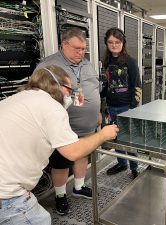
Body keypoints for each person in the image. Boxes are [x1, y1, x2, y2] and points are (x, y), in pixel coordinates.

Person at [0, 65, 118, 225]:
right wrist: (103, 134)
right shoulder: (51, 107)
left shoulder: (19, 98)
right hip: (7, 194)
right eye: (69, 89)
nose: (70, 95)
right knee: (40, 220)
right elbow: (74, 152)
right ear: (57, 85)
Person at [35, 27, 102, 215]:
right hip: (64, 127)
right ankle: (60, 195)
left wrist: (97, 112)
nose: (81, 53)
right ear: (64, 45)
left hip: (88, 124)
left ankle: (79, 187)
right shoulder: (48, 66)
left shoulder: (87, 64)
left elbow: (95, 88)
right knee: (61, 163)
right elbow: (40, 98)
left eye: (83, 49)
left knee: (82, 155)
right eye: (77, 48)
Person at [101, 27, 142, 179]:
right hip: (112, 107)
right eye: (110, 42)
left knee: (129, 139)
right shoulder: (107, 61)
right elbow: (107, 84)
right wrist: (100, 97)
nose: (114, 45)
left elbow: (137, 85)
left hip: (127, 107)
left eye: (117, 42)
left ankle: (134, 166)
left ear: (123, 43)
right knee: (116, 137)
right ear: (106, 43)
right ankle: (122, 163)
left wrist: (133, 107)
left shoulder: (130, 62)